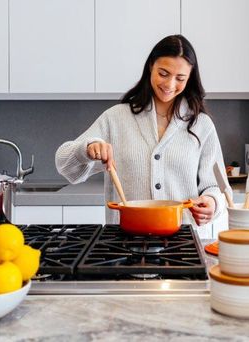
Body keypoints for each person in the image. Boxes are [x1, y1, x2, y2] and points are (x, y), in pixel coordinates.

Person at [55, 34, 228, 229]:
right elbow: (65, 165)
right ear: (150, 67)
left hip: (184, 245)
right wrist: (87, 150)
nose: (170, 85)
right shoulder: (116, 118)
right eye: (163, 74)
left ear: (189, 78)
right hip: (124, 244)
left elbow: (217, 187)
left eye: (180, 78)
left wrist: (212, 203)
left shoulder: (201, 125)